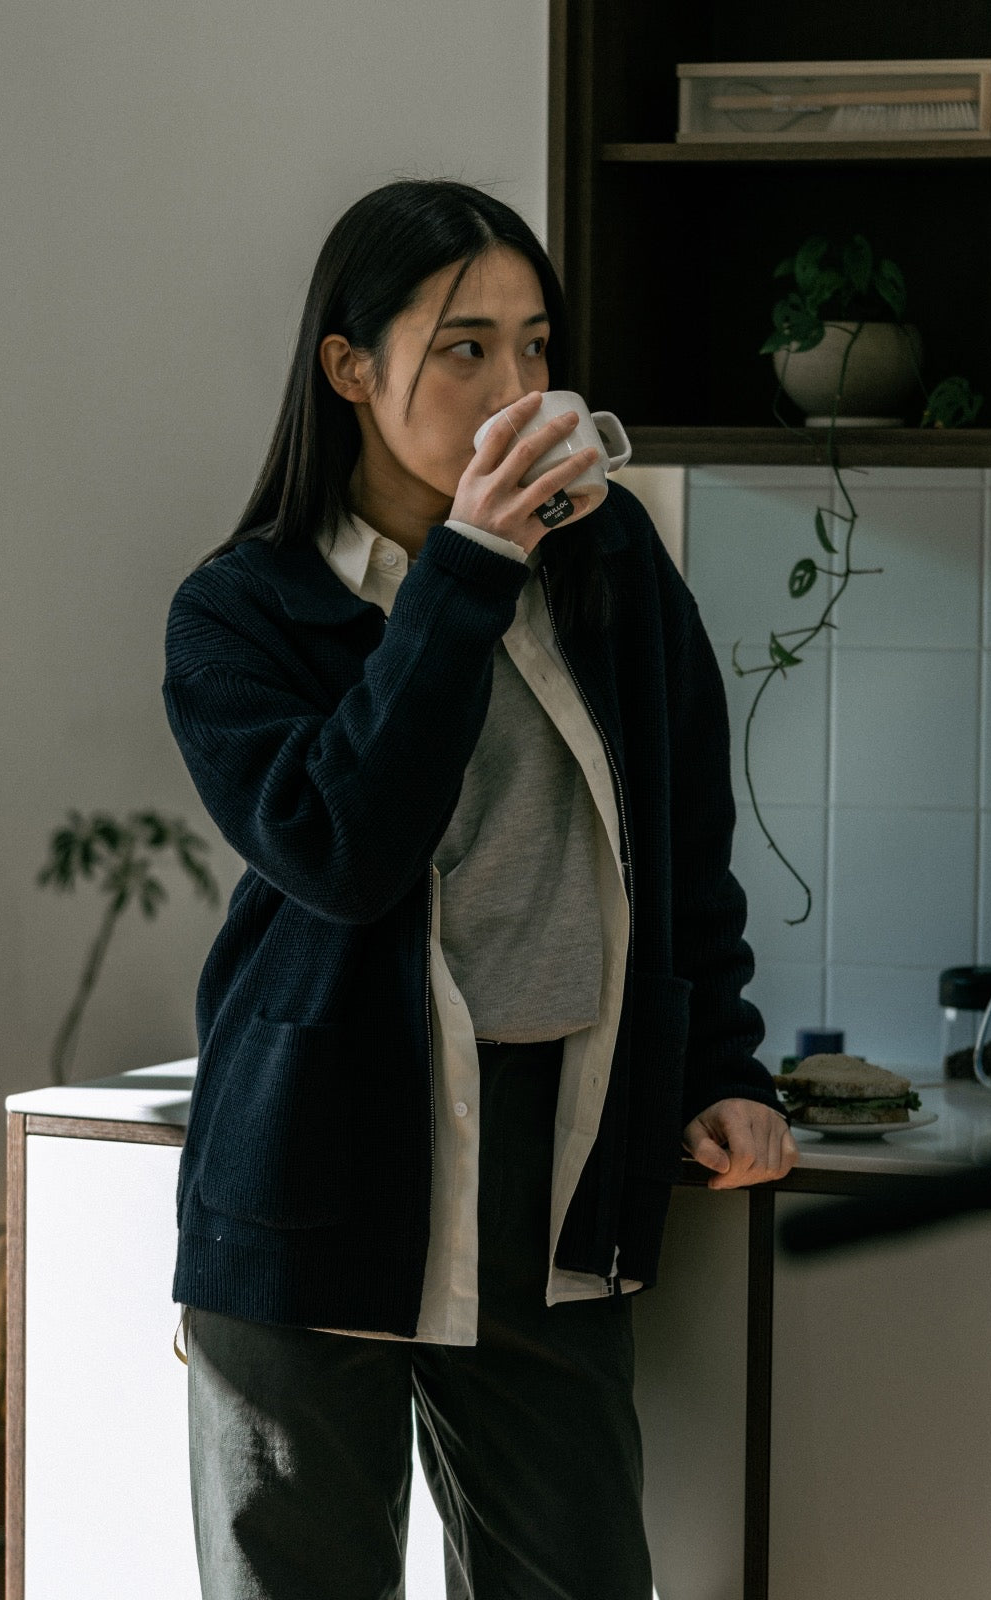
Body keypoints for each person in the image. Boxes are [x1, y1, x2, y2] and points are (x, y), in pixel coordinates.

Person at [161, 176, 799, 1600]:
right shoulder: (239, 612)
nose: (516, 387)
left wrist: (722, 1066)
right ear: (349, 369)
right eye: (465, 347)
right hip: (314, 1173)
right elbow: (345, 852)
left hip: (551, 1180)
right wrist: (468, 565)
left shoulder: (613, 566)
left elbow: (683, 845)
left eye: (535, 345)